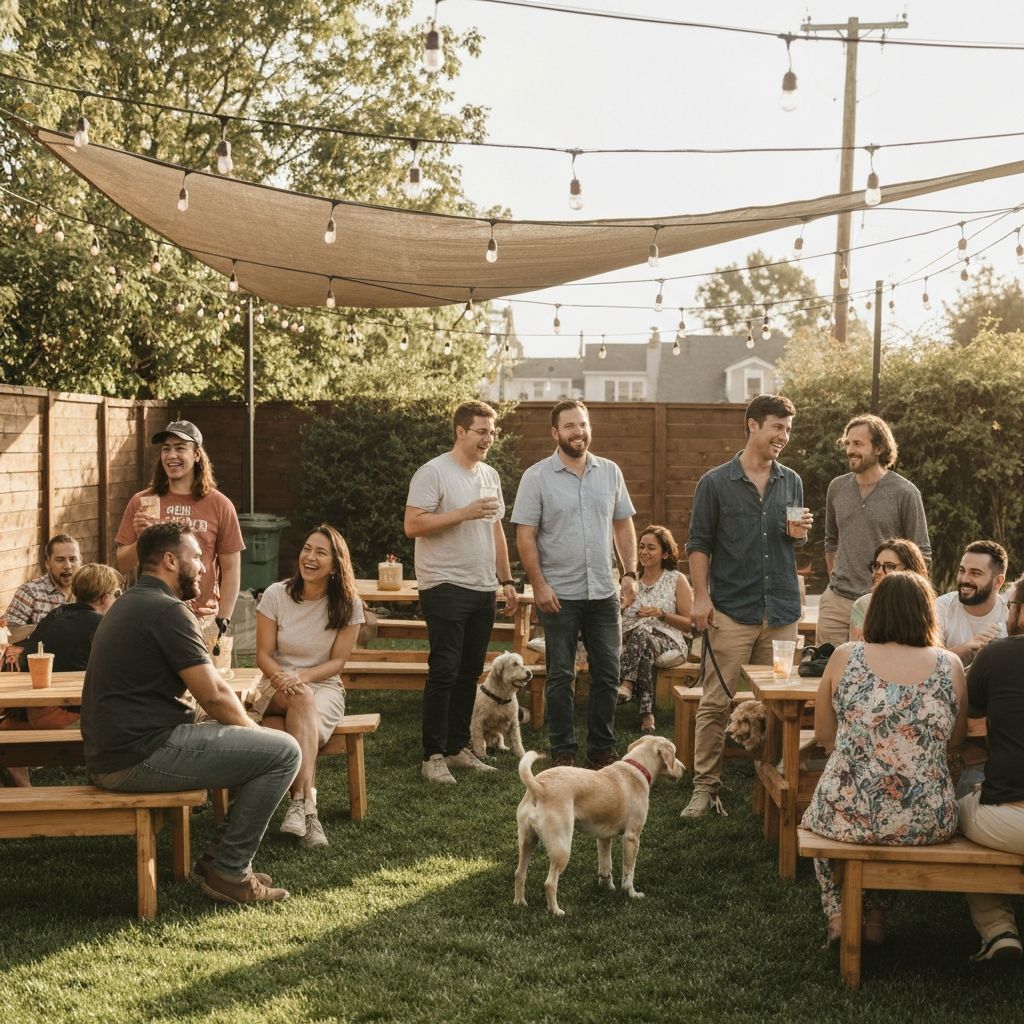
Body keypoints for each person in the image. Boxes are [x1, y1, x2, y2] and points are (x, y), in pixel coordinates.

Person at [81, 522, 300, 905]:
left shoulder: (132, 602)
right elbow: (213, 694)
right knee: (283, 752)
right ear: (169, 560)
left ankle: (218, 860)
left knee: (257, 743)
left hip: (118, 751)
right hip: (137, 755)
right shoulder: (166, 610)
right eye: (197, 557)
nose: (204, 567)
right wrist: (252, 732)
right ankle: (229, 872)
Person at [801, 571, 967, 946]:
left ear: (875, 613)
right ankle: (875, 916)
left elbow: (824, 736)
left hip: (848, 813)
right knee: (891, 816)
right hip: (927, 818)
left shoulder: (845, 657)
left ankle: (838, 913)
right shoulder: (950, 665)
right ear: (927, 615)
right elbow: (955, 741)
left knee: (818, 813)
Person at [681, 394, 812, 818]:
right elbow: (698, 544)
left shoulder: (790, 480)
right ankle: (705, 788)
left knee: (777, 705)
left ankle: (770, 783)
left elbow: (793, 539)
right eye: (777, 427)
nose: (783, 437)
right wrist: (701, 598)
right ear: (753, 425)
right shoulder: (715, 483)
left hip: (781, 615)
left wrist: (799, 534)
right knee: (716, 703)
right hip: (731, 611)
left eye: (788, 430)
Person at [512, 399, 637, 770]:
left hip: (603, 592)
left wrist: (628, 573)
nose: (578, 432)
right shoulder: (536, 477)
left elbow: (623, 525)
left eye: (582, 424)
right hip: (558, 594)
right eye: (569, 426)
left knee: (608, 673)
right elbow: (525, 536)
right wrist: (539, 585)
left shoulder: (610, 472)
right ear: (555, 433)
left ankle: (602, 748)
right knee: (561, 674)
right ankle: (563, 748)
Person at [405, 400, 519, 784]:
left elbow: (496, 531)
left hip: (483, 586)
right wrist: (463, 513)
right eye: (482, 431)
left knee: (469, 672)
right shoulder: (433, 472)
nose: (489, 438)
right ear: (460, 431)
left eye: (492, 431)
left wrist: (506, 581)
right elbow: (413, 525)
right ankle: (433, 755)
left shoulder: (490, 475)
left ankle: (457, 749)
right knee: (444, 670)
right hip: (444, 583)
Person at [255, 525, 363, 845]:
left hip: (324, 685)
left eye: (320, 552)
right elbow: (262, 655)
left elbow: (337, 663)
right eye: (306, 548)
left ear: (335, 564)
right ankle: (308, 808)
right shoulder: (276, 594)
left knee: (293, 725)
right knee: (299, 703)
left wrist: (301, 677)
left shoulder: (347, 604)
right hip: (273, 683)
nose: (310, 557)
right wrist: (285, 677)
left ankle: (301, 807)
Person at [115, 420, 244, 632]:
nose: (171, 455)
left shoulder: (220, 505)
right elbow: (122, 565)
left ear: (196, 455)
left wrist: (224, 618)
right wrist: (143, 538)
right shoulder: (143, 502)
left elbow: (231, 569)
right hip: (151, 615)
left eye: (180, 448)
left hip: (201, 619)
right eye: (166, 449)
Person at [817, 414, 931, 647]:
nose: (850, 450)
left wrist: (906, 601)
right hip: (836, 602)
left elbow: (921, 553)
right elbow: (831, 540)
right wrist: (835, 577)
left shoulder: (905, 493)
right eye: (848, 443)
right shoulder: (837, 487)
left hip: (883, 604)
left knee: (872, 673)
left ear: (879, 448)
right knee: (825, 672)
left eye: (858, 444)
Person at [957, 574, 1024, 962]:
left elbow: (961, 716)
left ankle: (997, 928)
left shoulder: (997, 654)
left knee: (954, 806)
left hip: (1009, 822)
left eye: (1012, 605)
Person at [16, 563, 123, 729]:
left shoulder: (55, 615)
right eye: (115, 594)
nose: (117, 600)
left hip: (34, 710)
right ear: (103, 598)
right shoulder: (103, 627)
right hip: (69, 714)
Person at [616, 525, 693, 734]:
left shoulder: (676, 579)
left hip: (670, 641)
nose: (643, 552)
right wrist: (621, 608)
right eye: (641, 547)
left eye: (651, 548)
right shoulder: (632, 584)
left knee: (643, 634)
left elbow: (690, 624)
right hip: (636, 642)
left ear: (665, 553)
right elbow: (621, 623)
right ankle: (646, 714)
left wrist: (661, 613)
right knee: (642, 639)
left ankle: (627, 683)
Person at [936, 540, 1008, 668]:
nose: (964, 579)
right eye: (962, 571)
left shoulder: (1010, 614)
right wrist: (967, 647)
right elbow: (925, 660)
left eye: (975, 573)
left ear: (998, 581)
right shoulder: (942, 607)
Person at [3, 534, 81, 642]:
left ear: (81, 560)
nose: (68, 566)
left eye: (72, 559)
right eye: (60, 559)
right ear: (48, 562)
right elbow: (5, 634)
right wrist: (43, 627)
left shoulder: (89, 591)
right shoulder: (30, 591)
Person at [849, 538, 929, 641]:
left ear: (910, 571)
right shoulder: (864, 604)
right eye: (876, 565)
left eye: (889, 566)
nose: (878, 572)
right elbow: (856, 652)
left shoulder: (927, 606)